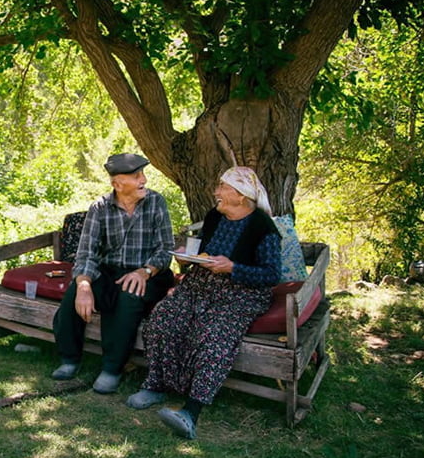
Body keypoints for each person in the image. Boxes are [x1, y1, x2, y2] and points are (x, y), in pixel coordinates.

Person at [126, 166, 281, 439]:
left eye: (222, 187)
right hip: (199, 285)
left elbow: (271, 275)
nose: (215, 192)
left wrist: (233, 267)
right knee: (163, 318)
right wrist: (186, 256)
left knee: (214, 335)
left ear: (241, 195)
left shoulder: (262, 227)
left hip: (240, 293)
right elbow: (201, 250)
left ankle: (191, 412)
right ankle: (156, 385)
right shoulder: (214, 216)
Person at [51, 152, 175, 394]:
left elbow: (165, 249)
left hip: (150, 273)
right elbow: (86, 253)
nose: (144, 180)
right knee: (76, 290)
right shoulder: (99, 208)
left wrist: (144, 272)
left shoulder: (156, 202)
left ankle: (112, 368)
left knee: (129, 295)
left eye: (143, 174)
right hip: (111, 271)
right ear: (117, 184)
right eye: (136, 176)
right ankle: (69, 358)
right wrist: (84, 285)